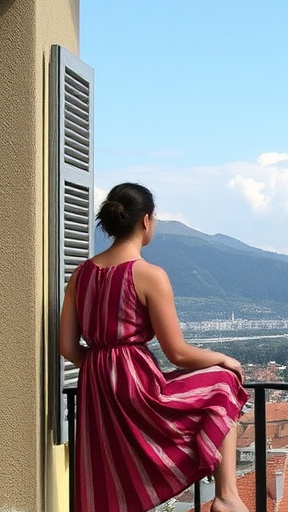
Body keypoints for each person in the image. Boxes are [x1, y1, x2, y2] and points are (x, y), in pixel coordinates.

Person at [59, 182, 250, 512]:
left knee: (107, 471)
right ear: (146, 221)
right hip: (136, 383)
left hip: (96, 387)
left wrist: (104, 368)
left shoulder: (81, 275)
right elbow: (178, 353)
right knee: (223, 383)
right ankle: (226, 497)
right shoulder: (148, 275)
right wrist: (223, 359)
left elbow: (67, 347)